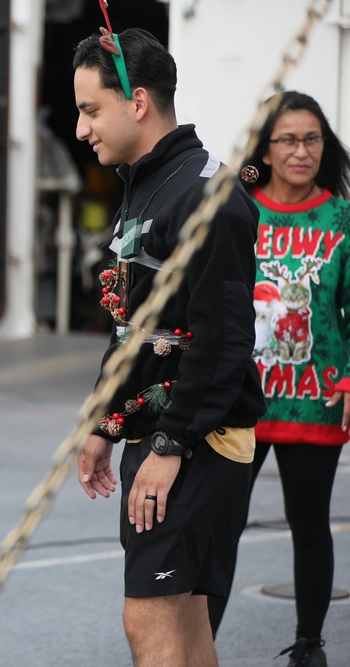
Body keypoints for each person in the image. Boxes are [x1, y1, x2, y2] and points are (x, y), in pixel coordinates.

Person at [72, 28, 267, 667]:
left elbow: (226, 339)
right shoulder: (150, 184)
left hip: (196, 442)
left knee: (148, 622)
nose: (81, 129)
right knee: (185, 626)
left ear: (137, 103)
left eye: (90, 110)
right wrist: (107, 421)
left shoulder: (208, 193)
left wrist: (169, 444)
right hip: (163, 437)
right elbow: (135, 326)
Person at [207, 90, 350, 667]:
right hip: (242, 398)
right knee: (221, 526)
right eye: (287, 139)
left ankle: (310, 645)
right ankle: (197, 642)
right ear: (264, 149)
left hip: (316, 398)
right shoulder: (238, 207)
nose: (301, 151)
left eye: (311, 138)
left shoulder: (341, 218)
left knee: (310, 523)